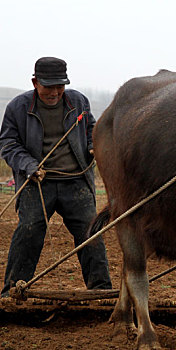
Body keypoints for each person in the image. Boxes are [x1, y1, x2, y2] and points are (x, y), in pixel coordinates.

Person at [0, 57, 112, 297]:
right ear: (35, 82)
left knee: (90, 232)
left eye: (59, 86)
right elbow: (8, 144)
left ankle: (102, 292)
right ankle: (12, 293)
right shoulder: (17, 108)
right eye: (48, 86)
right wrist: (28, 165)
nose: (55, 92)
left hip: (76, 182)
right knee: (29, 230)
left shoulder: (79, 102)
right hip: (37, 182)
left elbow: (93, 130)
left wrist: (95, 146)